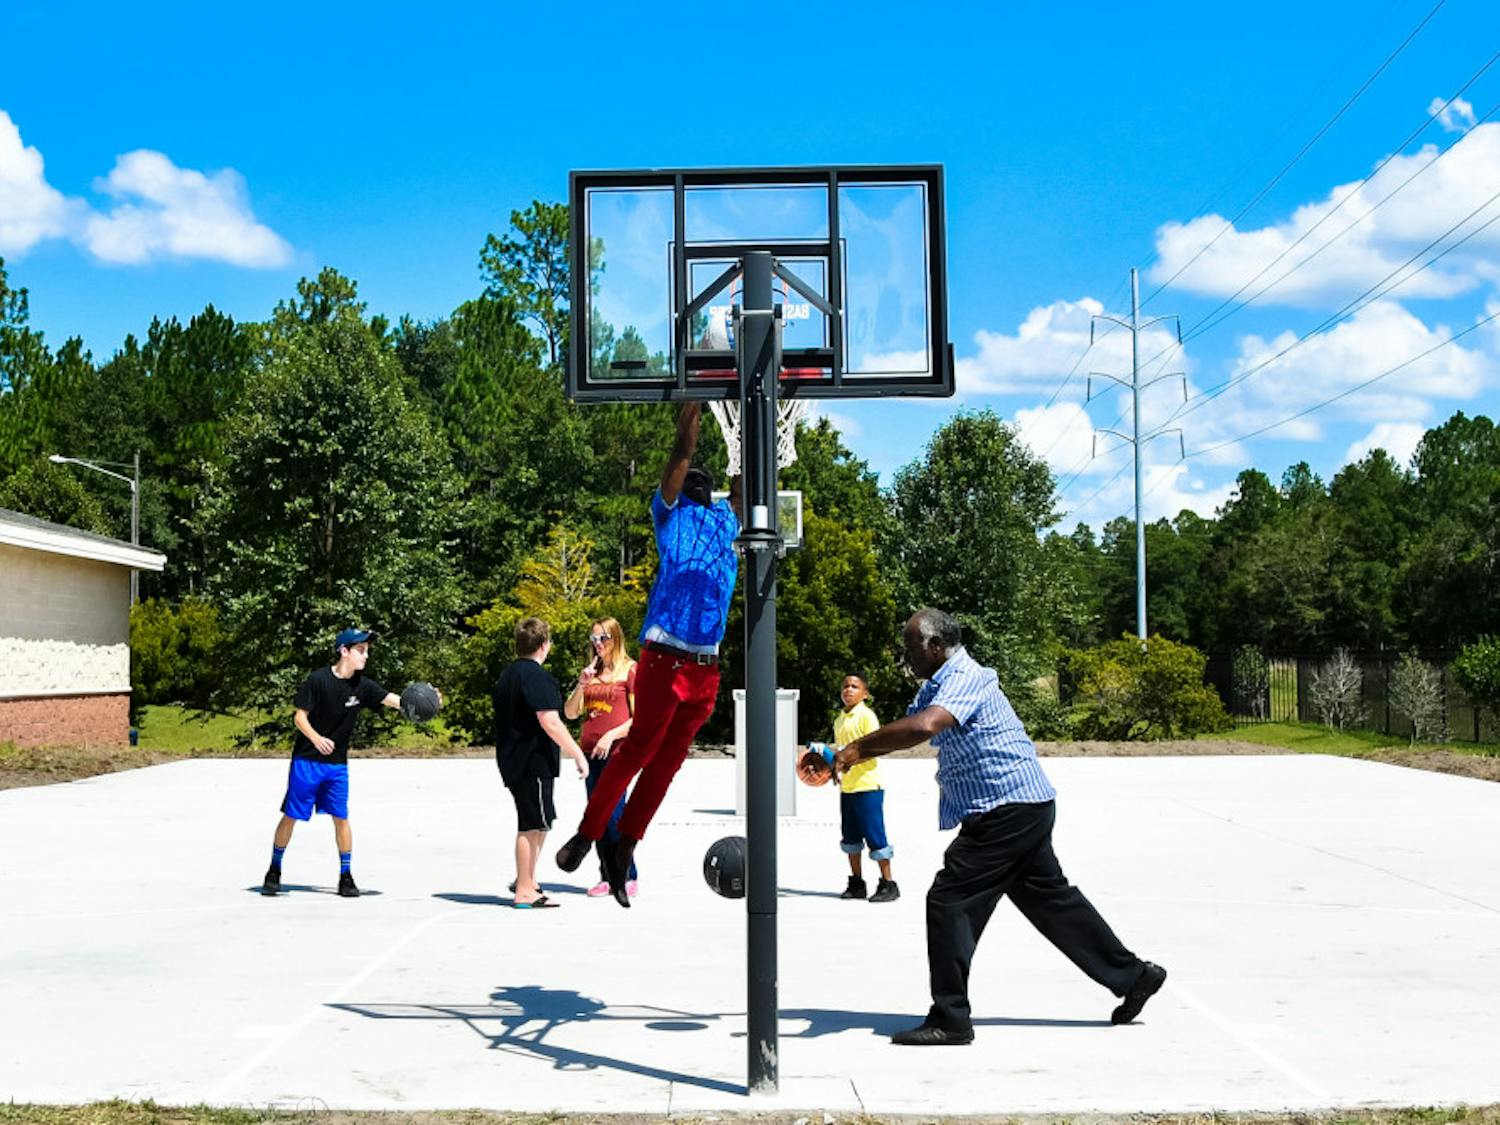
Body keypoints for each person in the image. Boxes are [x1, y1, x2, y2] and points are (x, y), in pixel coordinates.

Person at [835, 608, 1167, 1045]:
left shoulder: (967, 676)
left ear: (936, 646)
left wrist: (855, 749)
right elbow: (905, 730)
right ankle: (1134, 976)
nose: (906, 655)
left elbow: (926, 726)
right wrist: (833, 754)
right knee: (1053, 903)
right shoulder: (936, 684)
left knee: (949, 900)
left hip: (1007, 808)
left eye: (911, 646)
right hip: (1019, 806)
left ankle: (950, 1019)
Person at [555, 401, 741, 908]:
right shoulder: (669, 515)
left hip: (706, 667)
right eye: (691, 480)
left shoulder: (726, 521)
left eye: (707, 481)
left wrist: (750, 407)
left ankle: (628, 845)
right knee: (638, 748)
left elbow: (747, 473)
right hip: (665, 656)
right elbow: (682, 452)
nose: (699, 482)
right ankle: (589, 834)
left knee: (668, 762)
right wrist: (696, 404)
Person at [260, 628, 416, 899]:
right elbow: (299, 717)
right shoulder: (318, 680)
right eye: (361, 650)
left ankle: (346, 876)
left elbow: (393, 700)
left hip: (337, 766)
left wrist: (424, 704)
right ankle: (274, 869)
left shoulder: (362, 685)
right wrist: (316, 738)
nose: (366, 656)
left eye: (367, 651)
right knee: (292, 816)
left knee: (341, 818)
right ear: (344, 651)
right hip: (307, 762)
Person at [494, 616, 589, 908]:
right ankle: (524, 890)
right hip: (530, 763)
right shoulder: (537, 677)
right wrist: (577, 753)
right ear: (544, 645)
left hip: (515, 761)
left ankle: (529, 878)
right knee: (531, 824)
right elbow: (550, 721)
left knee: (541, 821)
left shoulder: (508, 675)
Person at [562, 617, 641, 898]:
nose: (598, 644)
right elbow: (570, 713)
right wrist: (582, 684)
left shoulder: (630, 670)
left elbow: (640, 718)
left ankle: (626, 873)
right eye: (594, 639)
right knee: (597, 816)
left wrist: (611, 735)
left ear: (616, 638)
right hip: (589, 755)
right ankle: (606, 875)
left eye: (603, 638)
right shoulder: (591, 673)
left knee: (615, 814)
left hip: (619, 754)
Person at [831, 674, 899, 903]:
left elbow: (876, 747)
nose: (848, 690)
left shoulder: (866, 716)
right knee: (850, 837)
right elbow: (840, 752)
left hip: (868, 785)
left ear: (865, 694)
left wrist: (848, 762)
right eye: (845, 686)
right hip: (848, 788)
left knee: (875, 835)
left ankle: (888, 883)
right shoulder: (840, 719)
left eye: (854, 686)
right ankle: (856, 882)